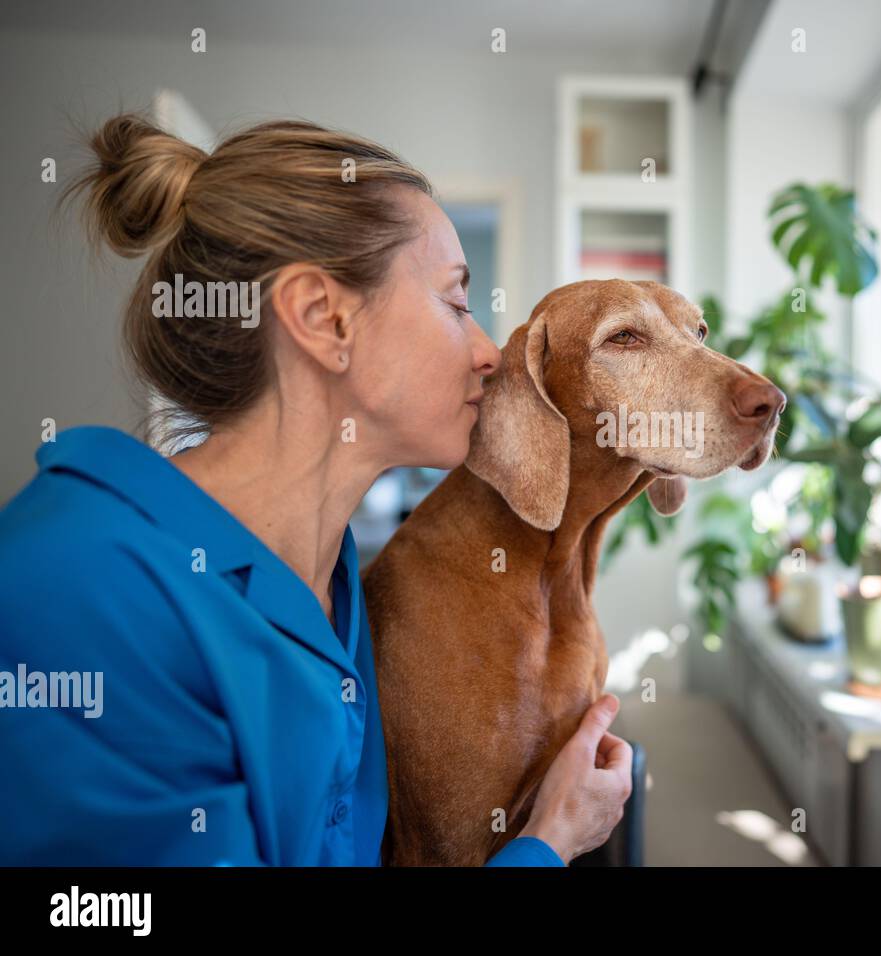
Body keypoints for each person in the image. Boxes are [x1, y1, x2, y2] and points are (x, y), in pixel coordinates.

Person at [0, 113, 632, 866]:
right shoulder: (79, 588)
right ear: (322, 319)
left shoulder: (331, 590)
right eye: (456, 302)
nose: (489, 352)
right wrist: (546, 846)